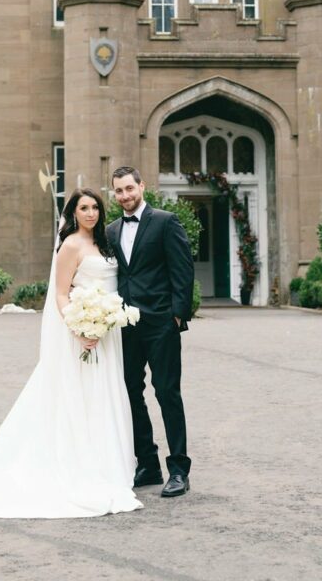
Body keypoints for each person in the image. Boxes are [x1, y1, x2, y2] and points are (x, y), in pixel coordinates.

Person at [0, 187, 142, 519]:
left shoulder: (105, 243)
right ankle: (79, 466)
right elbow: (62, 295)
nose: (91, 213)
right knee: (78, 398)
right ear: (73, 213)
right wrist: (81, 329)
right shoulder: (70, 246)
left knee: (104, 396)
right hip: (83, 334)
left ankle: (107, 464)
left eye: (95, 207)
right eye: (84, 208)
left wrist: (104, 321)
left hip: (108, 335)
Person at [106, 166, 195, 498]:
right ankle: (147, 464)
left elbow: (182, 270)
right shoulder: (112, 231)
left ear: (141, 186)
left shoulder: (165, 221)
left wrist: (177, 316)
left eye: (130, 188)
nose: (125, 196)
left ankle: (178, 469)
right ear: (113, 194)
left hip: (160, 322)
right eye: (119, 191)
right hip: (125, 325)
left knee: (167, 392)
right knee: (130, 393)